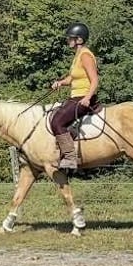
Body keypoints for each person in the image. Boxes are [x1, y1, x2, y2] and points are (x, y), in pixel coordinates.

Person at [50, 22, 99, 169]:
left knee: (57, 121)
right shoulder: (77, 56)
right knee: (55, 115)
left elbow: (95, 80)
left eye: (70, 38)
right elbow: (72, 78)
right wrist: (60, 83)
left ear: (79, 40)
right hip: (75, 97)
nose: (68, 40)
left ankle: (70, 158)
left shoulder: (85, 55)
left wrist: (87, 98)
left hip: (83, 98)